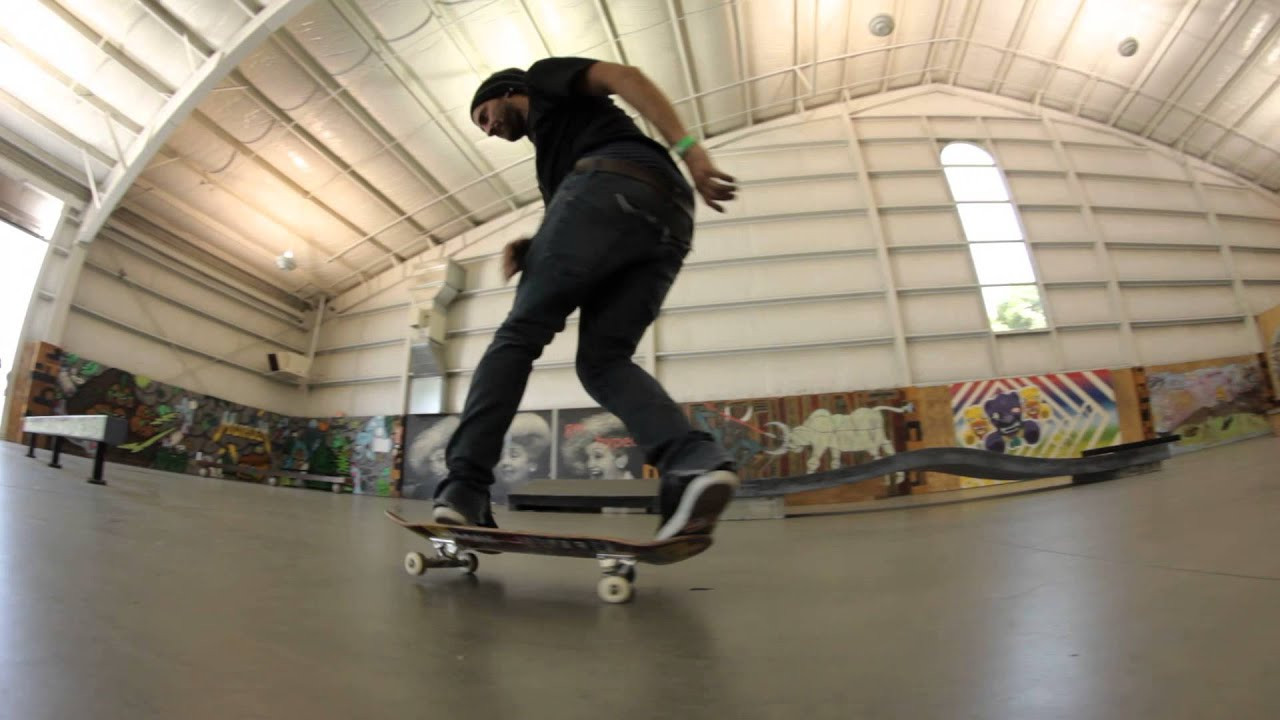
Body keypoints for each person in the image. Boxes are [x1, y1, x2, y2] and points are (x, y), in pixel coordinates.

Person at [432, 57, 740, 540]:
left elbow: (626, 77)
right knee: (602, 361)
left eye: (485, 114)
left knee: (518, 336)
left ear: (510, 90)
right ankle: (694, 461)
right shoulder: (555, 150)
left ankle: (464, 487)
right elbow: (574, 214)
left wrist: (690, 148)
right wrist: (532, 244)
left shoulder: (543, 78)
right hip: (668, 215)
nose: (489, 130)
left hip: (613, 181)